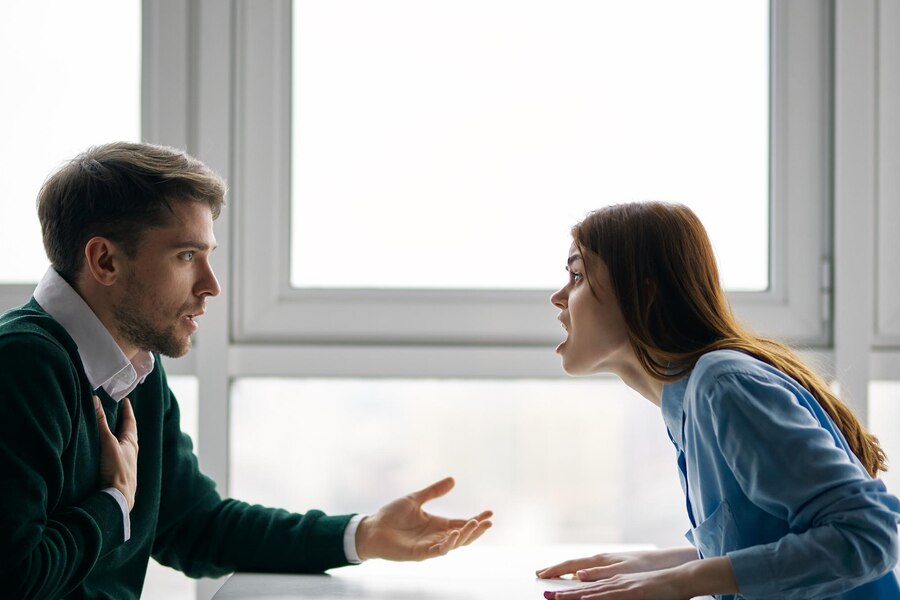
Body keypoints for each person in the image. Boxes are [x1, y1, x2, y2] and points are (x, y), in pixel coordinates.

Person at [0, 142, 492, 598]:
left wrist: (361, 535)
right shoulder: (23, 363)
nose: (211, 285)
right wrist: (112, 503)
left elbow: (194, 527)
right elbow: (15, 577)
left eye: (207, 257)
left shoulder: (134, 367)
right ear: (105, 260)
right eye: (186, 256)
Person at [537, 202, 900, 599]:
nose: (558, 297)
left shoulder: (723, 385)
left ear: (643, 292)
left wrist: (682, 581)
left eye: (576, 276)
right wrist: (660, 563)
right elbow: (767, 540)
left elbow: (869, 535)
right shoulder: (690, 401)